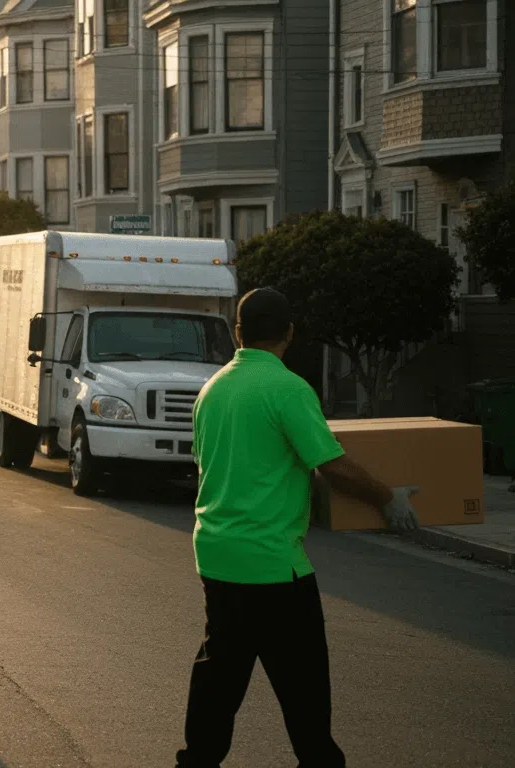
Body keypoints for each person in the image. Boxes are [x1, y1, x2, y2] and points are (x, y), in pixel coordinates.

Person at [177, 288, 419, 768]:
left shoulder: (212, 390)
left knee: (219, 679)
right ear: (289, 333)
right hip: (272, 566)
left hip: (218, 557)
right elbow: (332, 465)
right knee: (305, 691)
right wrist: (388, 498)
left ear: (237, 332)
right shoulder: (288, 389)